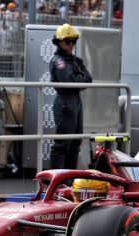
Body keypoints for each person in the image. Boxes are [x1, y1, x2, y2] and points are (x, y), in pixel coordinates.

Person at [49, 23, 92, 170]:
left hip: (76, 102)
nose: (71, 44)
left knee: (75, 143)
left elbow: (88, 79)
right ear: (59, 42)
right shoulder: (58, 61)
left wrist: (77, 78)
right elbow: (69, 81)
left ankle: (70, 177)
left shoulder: (75, 61)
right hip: (65, 103)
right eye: (68, 41)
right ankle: (55, 179)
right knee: (62, 143)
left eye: (74, 41)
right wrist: (78, 78)